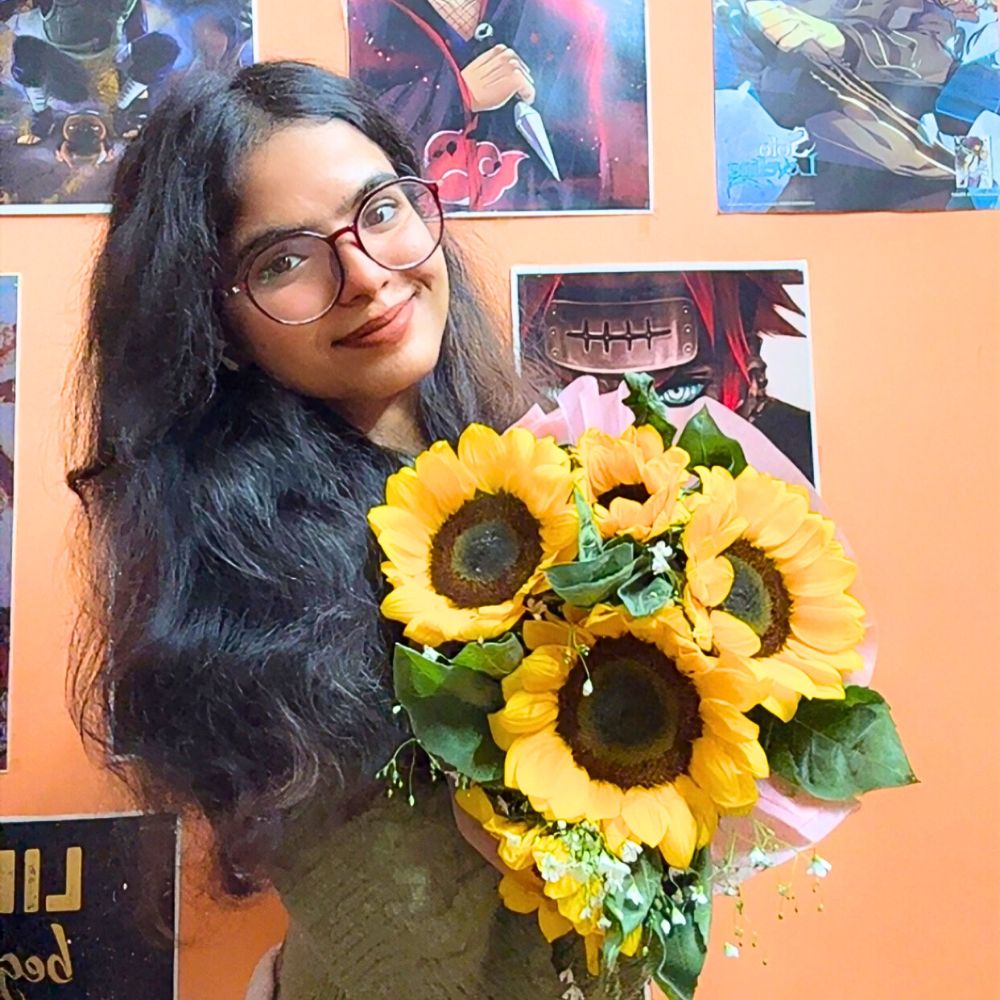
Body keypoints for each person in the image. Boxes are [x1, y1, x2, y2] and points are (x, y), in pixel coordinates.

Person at [66, 61, 648, 998]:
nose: (368, 278)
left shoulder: (542, 471)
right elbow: (407, 963)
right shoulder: (258, 613)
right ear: (213, 323)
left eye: (379, 209)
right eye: (284, 259)